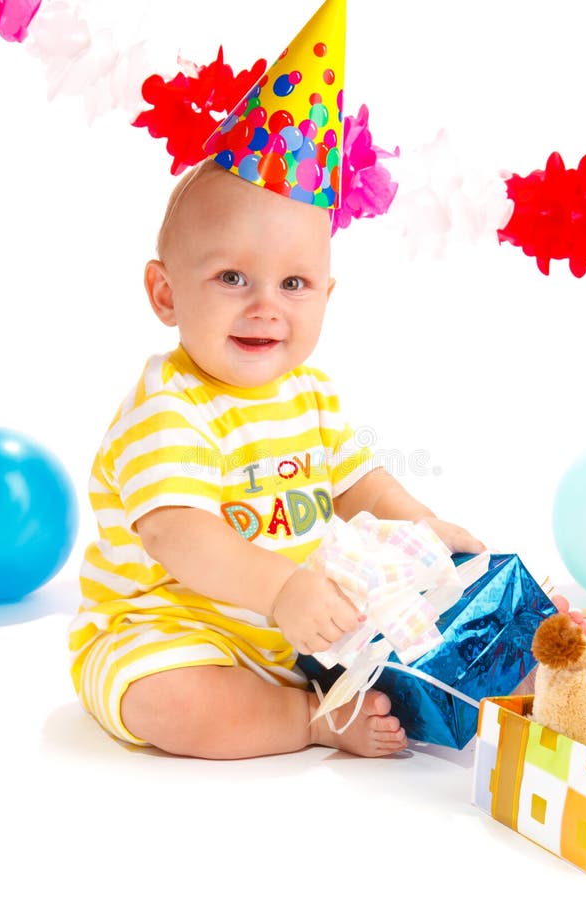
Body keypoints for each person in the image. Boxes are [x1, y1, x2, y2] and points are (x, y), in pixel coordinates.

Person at [68, 159, 485, 760]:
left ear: (326, 295)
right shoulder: (169, 405)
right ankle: (311, 718)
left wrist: (418, 523)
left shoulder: (309, 393)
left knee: (406, 621)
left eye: (294, 284)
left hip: (293, 632)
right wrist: (281, 589)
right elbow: (175, 532)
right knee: (171, 700)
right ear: (166, 293)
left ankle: (341, 688)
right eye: (233, 277)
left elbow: (357, 483)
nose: (266, 306)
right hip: (171, 631)